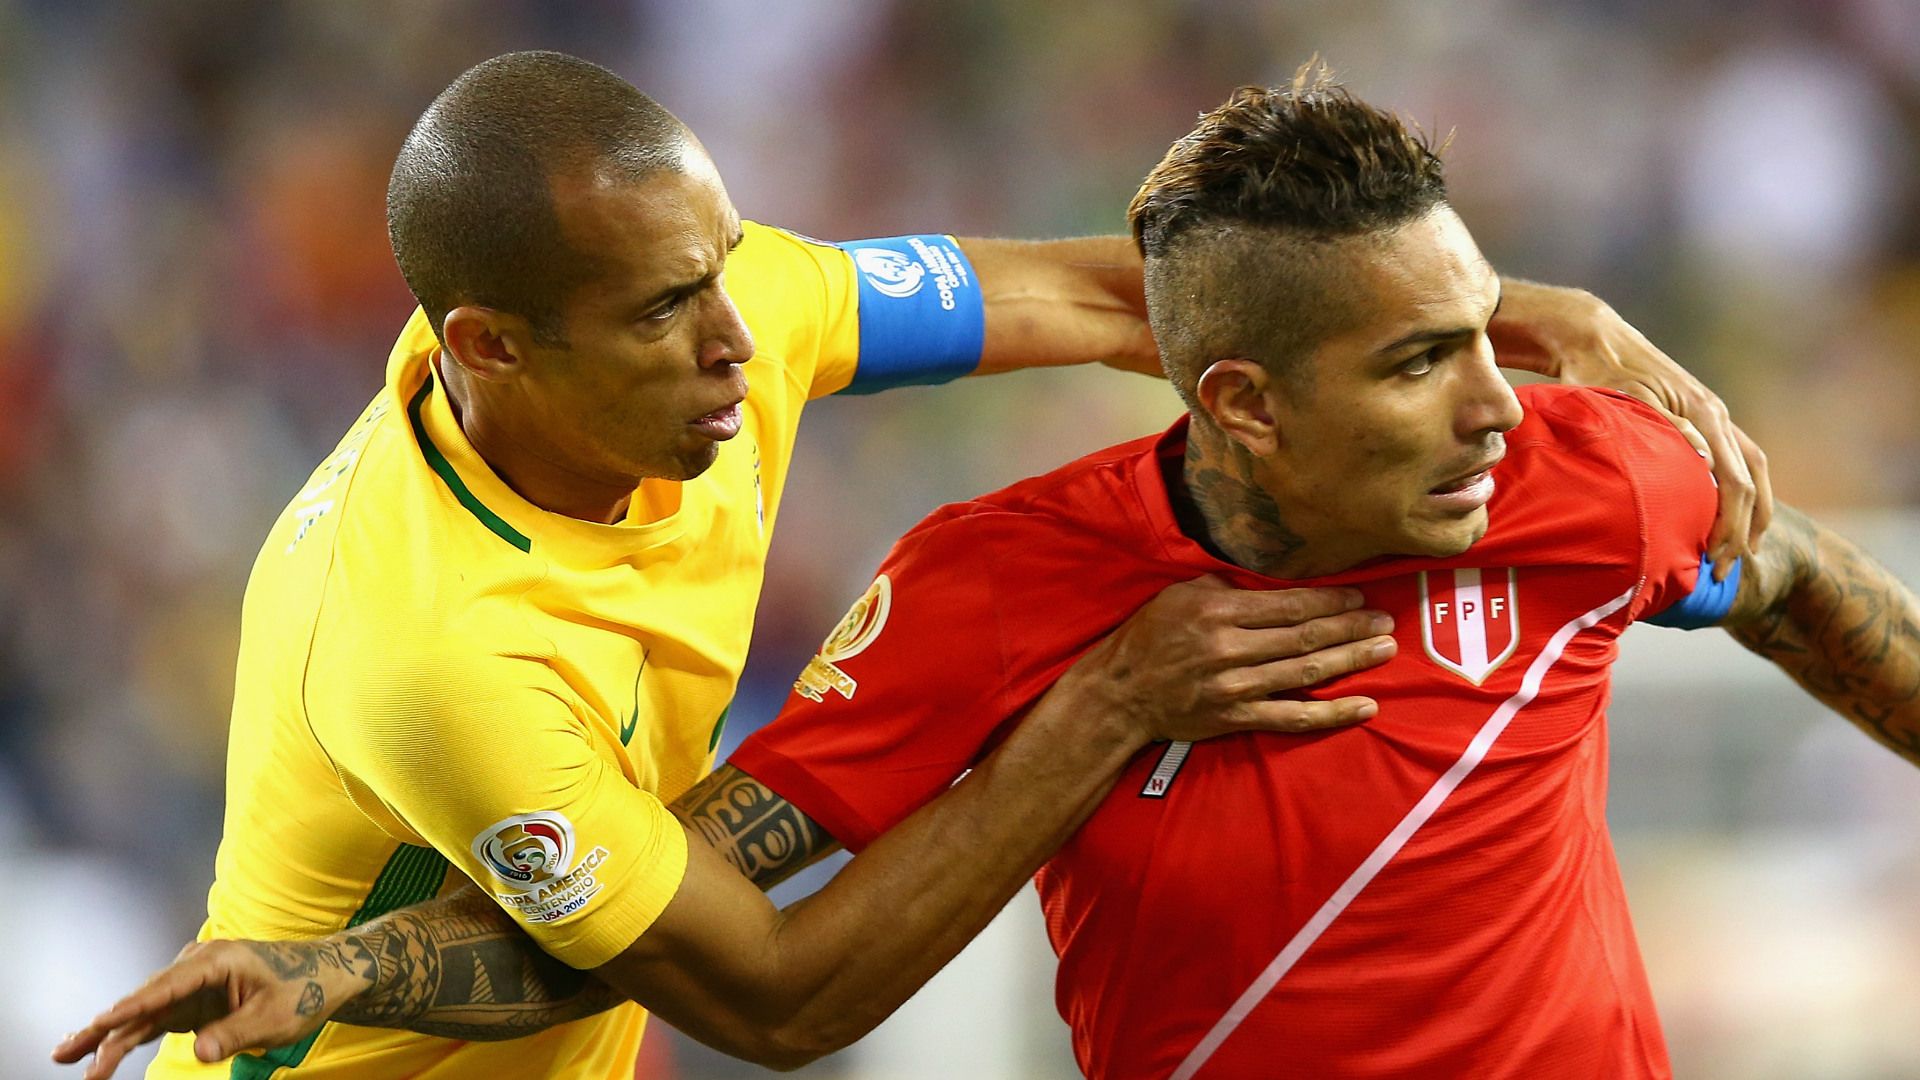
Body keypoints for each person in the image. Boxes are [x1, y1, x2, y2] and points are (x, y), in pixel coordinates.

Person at [56, 56, 1778, 1080]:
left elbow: (1135, 303)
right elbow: (779, 996)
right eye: (669, 310)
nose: (750, 338)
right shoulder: (440, 650)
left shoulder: (745, 314)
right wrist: (1109, 696)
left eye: (727, 266)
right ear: (490, 345)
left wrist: (1488, 313)